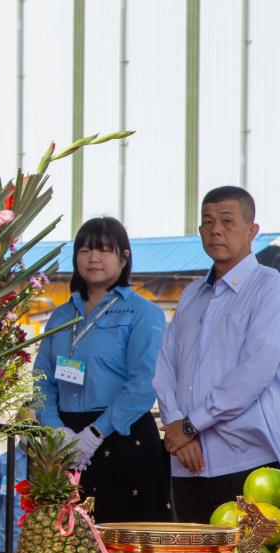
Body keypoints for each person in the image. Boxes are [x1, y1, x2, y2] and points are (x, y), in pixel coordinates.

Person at [154, 186, 280, 523]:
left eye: (227, 221)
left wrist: (192, 425)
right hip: (186, 462)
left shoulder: (269, 287)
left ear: (253, 230)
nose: (216, 230)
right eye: (207, 223)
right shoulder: (193, 293)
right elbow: (165, 367)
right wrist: (178, 427)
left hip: (248, 460)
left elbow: (256, 370)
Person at [34, 217, 169, 524]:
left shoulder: (143, 312)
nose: (93, 258)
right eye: (84, 249)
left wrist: (96, 433)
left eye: (104, 250)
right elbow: (41, 379)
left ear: (124, 257)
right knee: (65, 549)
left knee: (121, 542)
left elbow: (143, 384)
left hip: (122, 436)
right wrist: (56, 430)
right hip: (65, 442)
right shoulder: (61, 315)